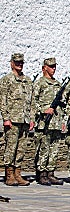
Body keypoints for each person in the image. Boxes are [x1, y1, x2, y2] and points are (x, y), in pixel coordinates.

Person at [0, 53, 33, 186]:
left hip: (24, 120)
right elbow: (2, 100)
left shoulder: (27, 80)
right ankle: (9, 175)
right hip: (12, 119)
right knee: (11, 148)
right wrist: (6, 118)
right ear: (11, 63)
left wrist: (31, 118)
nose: (19, 65)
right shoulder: (7, 79)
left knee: (21, 149)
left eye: (21, 63)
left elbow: (31, 101)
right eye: (17, 62)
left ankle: (18, 174)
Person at [31, 57, 64, 185]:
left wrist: (62, 119)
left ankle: (51, 172)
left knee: (54, 148)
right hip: (44, 121)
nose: (53, 69)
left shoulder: (58, 84)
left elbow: (62, 103)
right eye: (51, 66)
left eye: (55, 66)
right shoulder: (40, 83)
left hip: (55, 121)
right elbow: (33, 101)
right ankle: (42, 173)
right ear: (44, 68)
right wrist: (44, 110)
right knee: (43, 148)